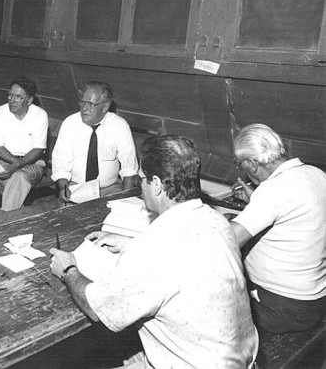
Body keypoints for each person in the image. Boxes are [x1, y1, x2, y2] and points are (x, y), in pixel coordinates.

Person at [50, 135, 258, 368]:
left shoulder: (150, 249)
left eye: (142, 180)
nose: (140, 187)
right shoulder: (217, 221)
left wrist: (67, 268)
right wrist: (131, 242)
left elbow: (95, 308)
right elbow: (185, 252)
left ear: (157, 184)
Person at [230, 123, 326, 334]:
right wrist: (255, 200)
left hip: (281, 308)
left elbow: (228, 241)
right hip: (315, 299)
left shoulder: (273, 191)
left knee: (214, 308)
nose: (243, 171)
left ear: (252, 164)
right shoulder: (317, 174)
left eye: (241, 165)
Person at [52, 81, 139, 204]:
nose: (84, 108)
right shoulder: (70, 123)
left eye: (91, 104)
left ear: (105, 106)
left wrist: (125, 197)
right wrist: (64, 189)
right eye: (83, 102)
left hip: (109, 189)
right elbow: (60, 163)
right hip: (75, 187)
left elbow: (129, 167)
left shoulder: (119, 125)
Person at [0, 77, 48, 211]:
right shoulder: (0, 113)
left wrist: (16, 167)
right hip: (4, 161)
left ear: (29, 100)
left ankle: (6, 216)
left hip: (33, 162)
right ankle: (15, 216)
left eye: (17, 97)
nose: (11, 100)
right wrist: (16, 164)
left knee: (18, 178)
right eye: (10, 95)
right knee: (15, 182)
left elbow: (38, 149)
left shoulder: (40, 115)